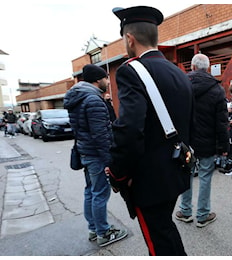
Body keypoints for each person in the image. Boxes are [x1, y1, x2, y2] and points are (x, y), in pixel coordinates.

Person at [107, 6, 193, 256]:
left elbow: (129, 130)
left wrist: (118, 173)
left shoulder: (130, 71)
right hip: (177, 171)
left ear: (129, 39)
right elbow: (190, 122)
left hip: (149, 180)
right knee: (165, 230)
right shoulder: (179, 72)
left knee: (160, 243)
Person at [63, 64, 128, 247]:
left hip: (85, 151)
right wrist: (109, 161)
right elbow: (100, 135)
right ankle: (104, 232)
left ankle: (94, 229)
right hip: (96, 155)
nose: (108, 82)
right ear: (98, 80)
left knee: (90, 191)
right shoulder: (93, 100)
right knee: (100, 193)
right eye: (106, 78)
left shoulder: (78, 97)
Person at [175, 53, 229, 227]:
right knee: (205, 176)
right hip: (207, 142)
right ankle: (203, 215)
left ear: (192, 67)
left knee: (186, 174)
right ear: (207, 67)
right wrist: (224, 146)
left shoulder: (181, 85)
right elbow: (222, 122)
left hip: (186, 142)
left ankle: (185, 211)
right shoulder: (217, 89)